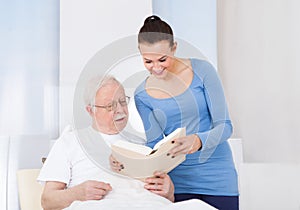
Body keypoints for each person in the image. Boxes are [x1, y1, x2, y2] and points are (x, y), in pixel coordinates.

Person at [132, 15, 238, 210]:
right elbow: (154, 143)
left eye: (163, 59)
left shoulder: (203, 71)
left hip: (218, 178)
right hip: (176, 183)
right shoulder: (141, 95)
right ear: (140, 53)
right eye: (148, 61)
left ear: (174, 48)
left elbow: (225, 127)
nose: (156, 68)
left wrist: (197, 141)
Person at [37, 75, 176, 210]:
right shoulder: (70, 142)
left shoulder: (141, 145)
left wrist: (168, 191)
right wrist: (77, 194)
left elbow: (166, 198)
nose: (120, 110)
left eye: (123, 102)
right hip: (101, 206)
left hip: (148, 205)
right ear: (91, 110)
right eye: (110, 106)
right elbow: (47, 201)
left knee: (196, 205)